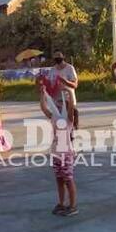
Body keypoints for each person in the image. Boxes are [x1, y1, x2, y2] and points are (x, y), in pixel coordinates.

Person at [39, 86, 78, 216]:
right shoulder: (54, 118)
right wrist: (42, 93)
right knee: (59, 180)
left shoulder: (68, 119)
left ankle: (73, 206)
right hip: (56, 153)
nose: (59, 104)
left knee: (68, 180)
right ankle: (61, 203)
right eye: (57, 102)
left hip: (66, 154)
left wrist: (70, 92)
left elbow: (72, 106)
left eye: (62, 102)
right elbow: (44, 108)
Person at [40, 51, 79, 128]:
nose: (57, 59)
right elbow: (48, 86)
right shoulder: (52, 70)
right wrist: (42, 86)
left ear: (63, 57)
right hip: (57, 102)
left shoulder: (70, 68)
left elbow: (75, 85)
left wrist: (65, 82)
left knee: (70, 124)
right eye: (55, 57)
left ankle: (71, 135)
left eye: (59, 56)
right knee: (58, 124)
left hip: (68, 101)